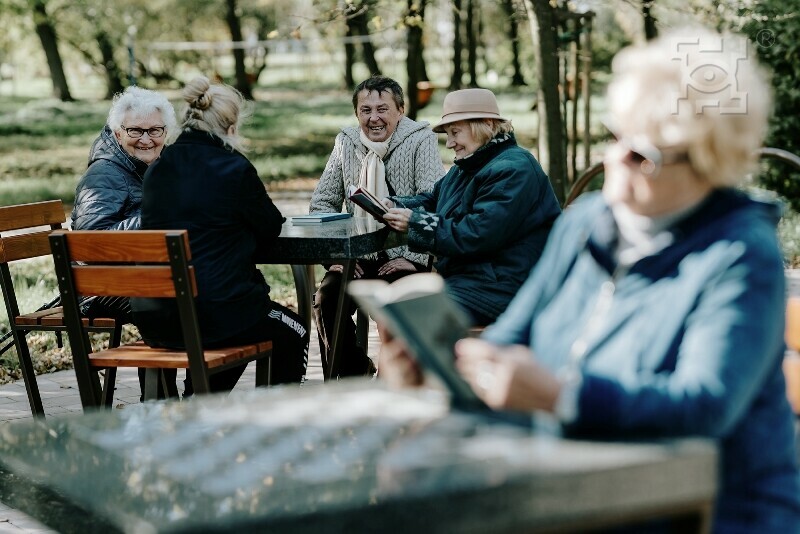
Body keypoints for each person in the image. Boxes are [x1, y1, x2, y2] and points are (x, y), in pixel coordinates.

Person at [380, 29, 800, 532]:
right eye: (616, 136)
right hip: (578, 488)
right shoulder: (587, 223)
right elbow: (512, 342)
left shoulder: (738, 256)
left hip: (707, 509)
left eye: (643, 154)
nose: (613, 161)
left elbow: (703, 406)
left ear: (709, 165)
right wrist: (442, 377)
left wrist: (562, 397)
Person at [132, 76, 308, 394]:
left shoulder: (158, 168)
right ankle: (279, 427)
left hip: (158, 320)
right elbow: (270, 226)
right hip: (217, 314)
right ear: (231, 126)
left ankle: (200, 402)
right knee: (292, 330)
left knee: (236, 319)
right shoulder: (233, 168)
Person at [382, 88, 561, 326]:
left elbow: (477, 234)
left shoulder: (513, 169)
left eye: (455, 132)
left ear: (485, 125)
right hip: (470, 281)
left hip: (505, 288)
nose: (450, 143)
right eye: (448, 134)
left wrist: (415, 222)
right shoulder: (467, 165)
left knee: (406, 316)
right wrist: (391, 204)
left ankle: (439, 364)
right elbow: (433, 199)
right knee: (392, 311)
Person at [309, 75, 444, 378]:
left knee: (397, 301)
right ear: (357, 113)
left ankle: (393, 382)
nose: (374, 118)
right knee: (326, 300)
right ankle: (353, 375)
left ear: (400, 109)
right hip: (356, 257)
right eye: (365, 110)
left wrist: (417, 258)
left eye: (382, 109)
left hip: (406, 256)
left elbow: (433, 203)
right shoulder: (345, 141)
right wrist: (335, 258)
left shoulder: (421, 139)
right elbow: (321, 203)